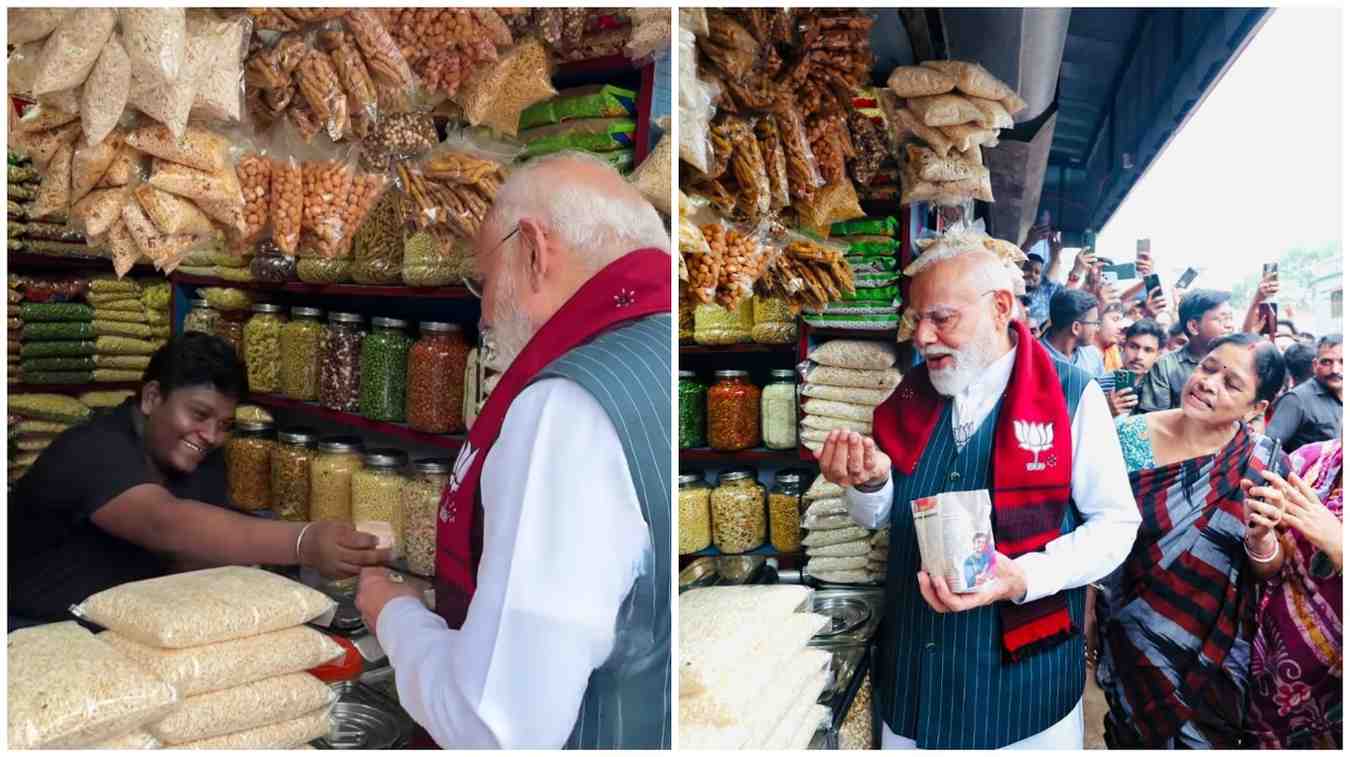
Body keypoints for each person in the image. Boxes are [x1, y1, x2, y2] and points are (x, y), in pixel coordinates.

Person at [354, 152, 672, 749]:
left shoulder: (564, 407)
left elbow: (497, 728)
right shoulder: (659, 348)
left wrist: (393, 613)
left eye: (482, 280)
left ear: (532, 251)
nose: (482, 310)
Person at [816, 240, 1140, 749]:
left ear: (1000, 307)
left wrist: (1024, 577)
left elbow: (1116, 524)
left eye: (942, 318)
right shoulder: (909, 396)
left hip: (1023, 688)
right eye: (917, 319)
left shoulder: (1072, 394)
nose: (923, 337)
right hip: (917, 675)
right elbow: (879, 517)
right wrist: (871, 482)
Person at [7, 332, 388, 628]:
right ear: (152, 397)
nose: (211, 435)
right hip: (33, 631)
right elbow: (164, 523)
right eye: (199, 414)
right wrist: (303, 542)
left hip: (124, 624)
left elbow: (199, 548)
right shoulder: (93, 448)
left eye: (224, 424)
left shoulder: (201, 457)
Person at [1092, 333, 1291, 748]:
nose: (1208, 383)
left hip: (1211, 655)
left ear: (1257, 408)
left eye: (1231, 383)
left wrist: (1260, 540)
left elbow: (1269, 568)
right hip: (1130, 632)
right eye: (1207, 367)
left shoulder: (1265, 464)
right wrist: (1089, 610)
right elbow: (1094, 533)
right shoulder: (1127, 437)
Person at [1246, 439, 1342, 749]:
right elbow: (1270, 570)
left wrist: (1341, 548)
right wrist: (1261, 540)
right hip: (1262, 667)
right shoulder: (1308, 462)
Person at [1136, 289, 1236, 413]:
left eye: (1230, 318)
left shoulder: (1237, 363)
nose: (1230, 325)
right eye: (1222, 319)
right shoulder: (1165, 366)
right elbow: (1153, 417)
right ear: (1194, 326)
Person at [1266, 334, 1343, 452]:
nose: (1335, 370)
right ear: (1315, 365)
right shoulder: (1296, 400)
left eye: (1343, 362)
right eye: (1327, 362)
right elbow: (1267, 449)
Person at [1106, 319, 1166, 418]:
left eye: (1148, 350)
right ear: (1124, 347)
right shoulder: (1101, 384)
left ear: (1158, 355)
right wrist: (1107, 411)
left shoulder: (1162, 389)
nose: (1139, 356)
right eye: (1133, 347)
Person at [1040, 288, 1106, 377]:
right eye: (1094, 323)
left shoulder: (1092, 355)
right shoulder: (1034, 357)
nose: (1097, 329)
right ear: (1076, 328)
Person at [1096, 302, 1126, 372]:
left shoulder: (1114, 351)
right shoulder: (1082, 353)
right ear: (1097, 323)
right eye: (1115, 319)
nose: (1121, 327)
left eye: (1121, 321)